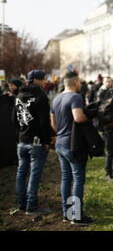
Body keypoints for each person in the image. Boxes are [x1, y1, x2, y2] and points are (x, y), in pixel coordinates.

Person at [50, 71, 95, 225]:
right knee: (77, 179)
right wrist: (89, 115)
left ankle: (67, 213)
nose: (81, 85)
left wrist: (61, 132)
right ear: (75, 82)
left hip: (60, 143)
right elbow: (78, 117)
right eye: (79, 82)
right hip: (73, 144)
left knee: (65, 178)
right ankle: (76, 216)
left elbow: (53, 124)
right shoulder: (75, 97)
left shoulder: (56, 98)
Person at [14, 70, 52, 214]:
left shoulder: (19, 95)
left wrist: (20, 135)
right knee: (34, 174)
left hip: (22, 141)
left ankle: (20, 203)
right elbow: (44, 121)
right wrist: (47, 140)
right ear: (36, 80)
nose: (44, 82)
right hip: (36, 141)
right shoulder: (40, 95)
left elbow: (14, 120)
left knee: (21, 172)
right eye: (42, 79)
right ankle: (32, 206)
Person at [97, 76, 113, 181]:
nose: (110, 83)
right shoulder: (101, 92)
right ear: (104, 82)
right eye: (107, 81)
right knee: (110, 151)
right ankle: (108, 173)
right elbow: (102, 109)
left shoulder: (110, 90)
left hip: (111, 125)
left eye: (111, 81)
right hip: (107, 126)